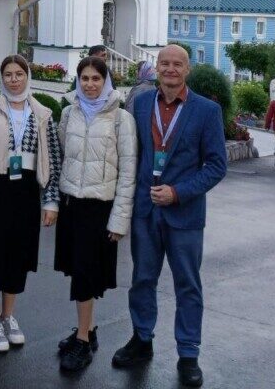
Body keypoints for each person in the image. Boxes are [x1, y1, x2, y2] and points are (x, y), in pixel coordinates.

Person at [112, 45, 228, 388]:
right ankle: (142, 339)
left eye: (178, 64)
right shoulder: (141, 103)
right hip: (145, 212)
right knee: (142, 279)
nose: (170, 69)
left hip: (185, 214)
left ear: (187, 70)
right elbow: (131, 152)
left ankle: (188, 354)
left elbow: (216, 166)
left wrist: (178, 192)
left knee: (188, 285)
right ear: (157, 67)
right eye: (164, 63)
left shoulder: (207, 111)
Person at [0, 55, 62, 352]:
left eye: (19, 74)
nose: (14, 79)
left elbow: (53, 161)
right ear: (2, 78)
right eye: (8, 74)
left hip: (26, 194)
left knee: (18, 256)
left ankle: (8, 316)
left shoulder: (42, 114)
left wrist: (51, 201)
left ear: (27, 76)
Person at [54, 56, 136, 371]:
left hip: (99, 208)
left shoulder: (121, 119)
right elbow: (63, 155)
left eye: (96, 79)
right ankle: (86, 330)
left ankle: (83, 342)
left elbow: (127, 173)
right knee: (78, 271)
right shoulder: (68, 113)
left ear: (106, 81)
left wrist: (120, 220)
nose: (89, 84)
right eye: (84, 78)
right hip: (72, 205)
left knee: (87, 274)